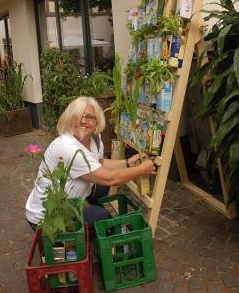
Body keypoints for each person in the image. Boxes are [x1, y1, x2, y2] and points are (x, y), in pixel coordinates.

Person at [25, 96, 155, 238]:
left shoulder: (94, 139)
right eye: (78, 116)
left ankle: (87, 211)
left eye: (89, 117)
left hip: (69, 201)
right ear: (70, 119)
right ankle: (79, 233)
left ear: (97, 121)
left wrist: (127, 163)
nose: (83, 121)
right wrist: (142, 169)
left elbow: (100, 163)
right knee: (101, 218)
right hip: (47, 218)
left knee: (100, 187)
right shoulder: (68, 148)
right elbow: (112, 179)